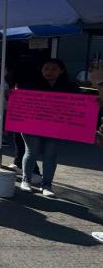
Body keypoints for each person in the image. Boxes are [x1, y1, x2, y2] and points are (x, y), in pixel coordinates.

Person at [18, 59, 80, 197]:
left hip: (57, 128)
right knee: (31, 152)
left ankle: (46, 185)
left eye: (53, 69)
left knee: (50, 156)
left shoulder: (71, 86)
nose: (49, 72)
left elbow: (80, 104)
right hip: (32, 126)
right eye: (46, 68)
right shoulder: (31, 84)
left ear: (61, 71)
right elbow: (20, 101)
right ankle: (25, 180)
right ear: (41, 70)